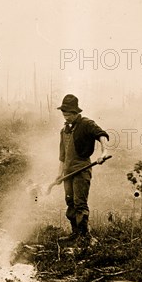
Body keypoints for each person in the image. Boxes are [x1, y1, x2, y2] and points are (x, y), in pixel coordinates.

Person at [54, 94, 109, 243]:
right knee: (70, 202)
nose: (66, 117)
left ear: (76, 112)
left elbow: (101, 134)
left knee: (80, 203)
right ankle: (75, 233)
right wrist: (59, 175)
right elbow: (62, 156)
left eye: (69, 114)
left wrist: (104, 152)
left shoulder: (86, 124)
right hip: (68, 172)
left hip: (81, 170)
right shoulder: (63, 130)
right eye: (64, 114)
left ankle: (85, 236)